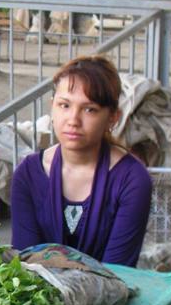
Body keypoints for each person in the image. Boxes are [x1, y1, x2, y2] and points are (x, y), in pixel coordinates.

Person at [10, 56, 152, 267]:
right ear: (52, 108)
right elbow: (25, 263)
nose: (73, 120)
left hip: (109, 294)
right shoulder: (28, 173)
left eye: (89, 109)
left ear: (113, 118)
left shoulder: (132, 180)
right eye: (64, 105)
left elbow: (118, 271)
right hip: (39, 294)